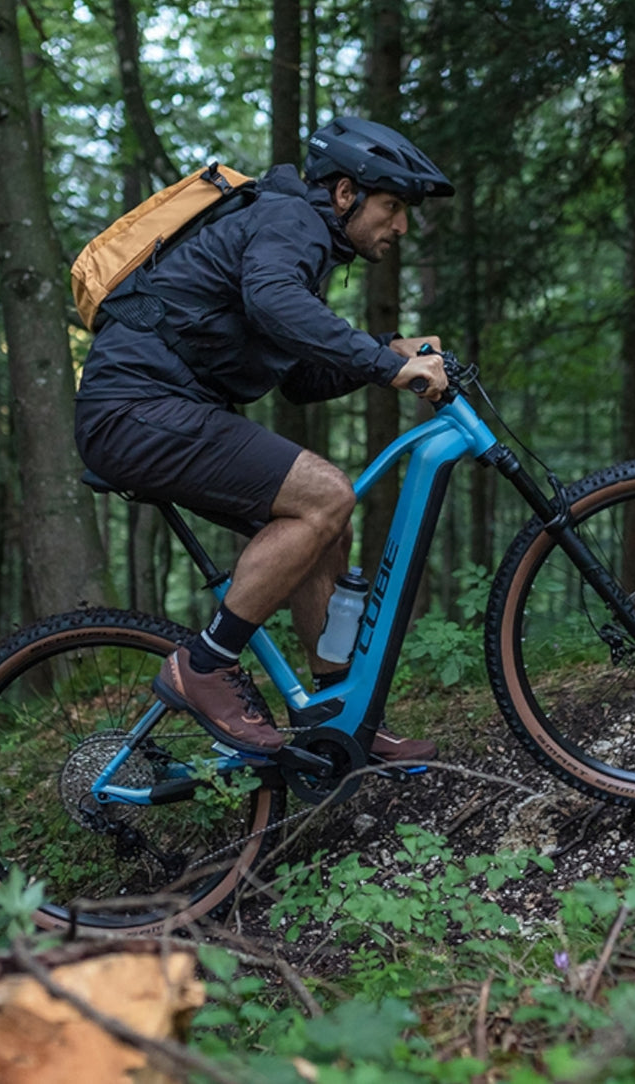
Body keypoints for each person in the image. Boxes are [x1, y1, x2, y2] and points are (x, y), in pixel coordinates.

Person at [74, 116, 455, 763]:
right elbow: (277, 303)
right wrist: (387, 364)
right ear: (344, 194)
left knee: (325, 523)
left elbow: (300, 378)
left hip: (158, 412)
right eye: (392, 207)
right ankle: (204, 665)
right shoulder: (289, 220)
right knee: (324, 494)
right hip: (136, 410)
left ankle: (340, 718)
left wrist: (386, 351)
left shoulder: (285, 239)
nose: (400, 227)